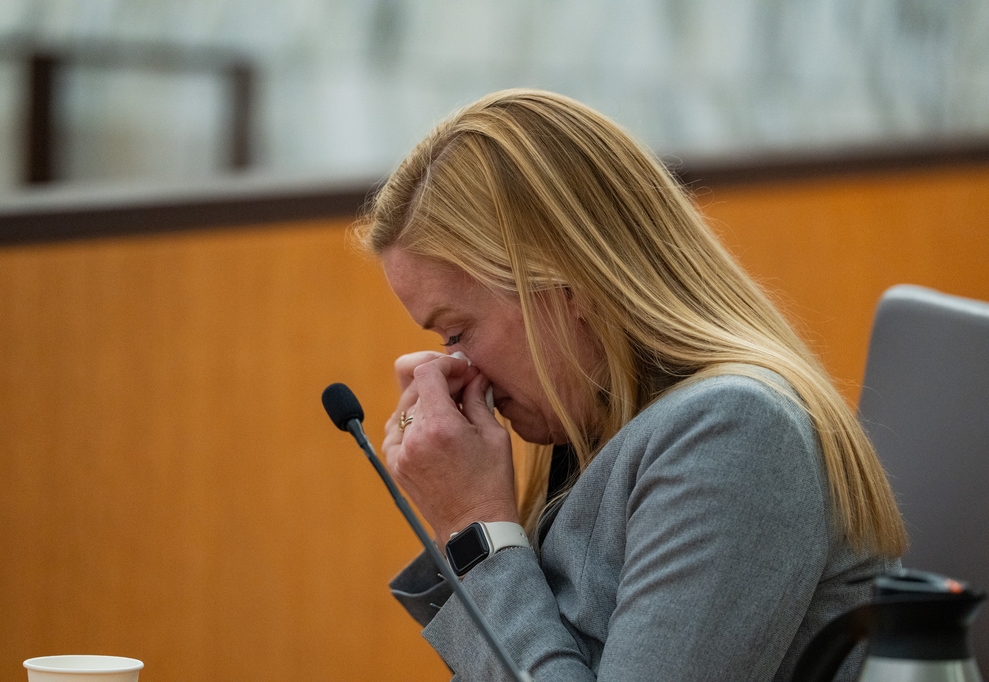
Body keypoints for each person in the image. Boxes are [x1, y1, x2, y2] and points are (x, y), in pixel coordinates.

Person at [353, 89, 906, 681]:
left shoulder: (734, 434)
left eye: (456, 332)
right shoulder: (589, 435)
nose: (453, 370)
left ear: (568, 283)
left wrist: (472, 527)